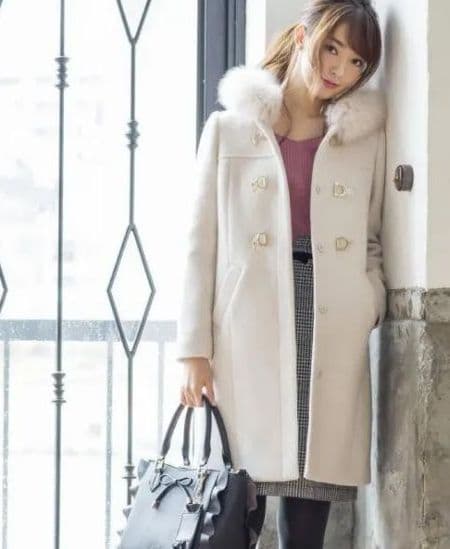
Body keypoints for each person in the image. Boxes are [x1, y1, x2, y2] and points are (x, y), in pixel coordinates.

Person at [175, 0, 387, 547]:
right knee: (236, 500)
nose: (340, 68)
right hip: (249, 320)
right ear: (301, 37)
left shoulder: (363, 138)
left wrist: (368, 299)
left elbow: (371, 238)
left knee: (310, 498)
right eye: (333, 47)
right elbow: (200, 244)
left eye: (357, 62)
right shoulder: (229, 130)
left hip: (330, 317)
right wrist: (194, 351)